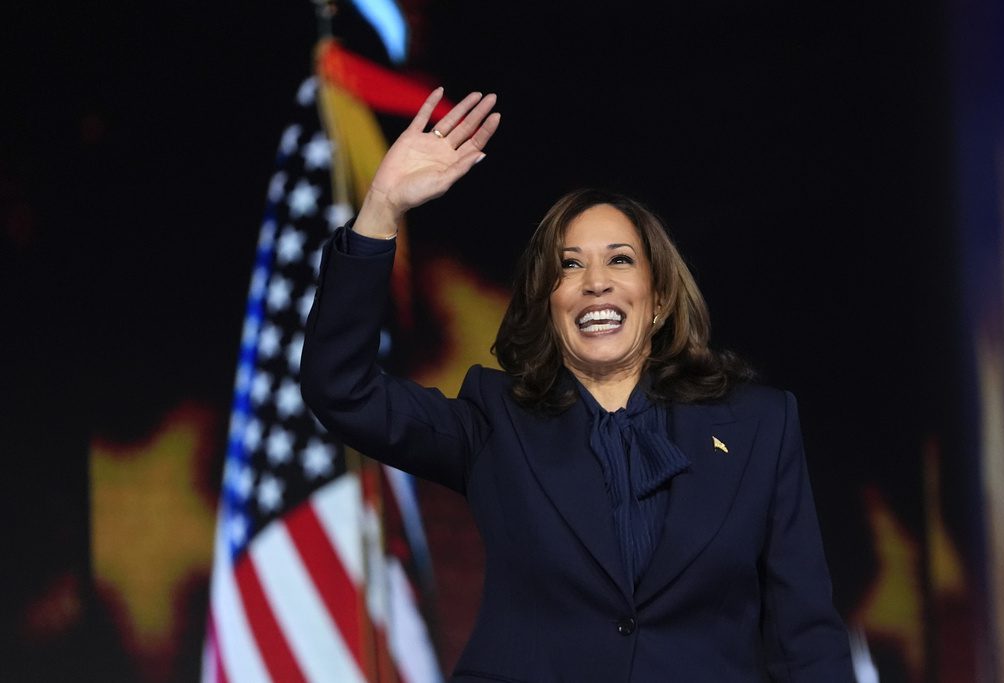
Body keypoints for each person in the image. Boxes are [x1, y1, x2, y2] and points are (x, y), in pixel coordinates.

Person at [300, 88, 855, 682]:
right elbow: (342, 389)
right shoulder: (494, 421)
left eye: (620, 260)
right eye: (569, 265)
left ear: (661, 298)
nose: (596, 283)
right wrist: (381, 210)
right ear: (548, 303)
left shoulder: (759, 426)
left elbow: (807, 636)